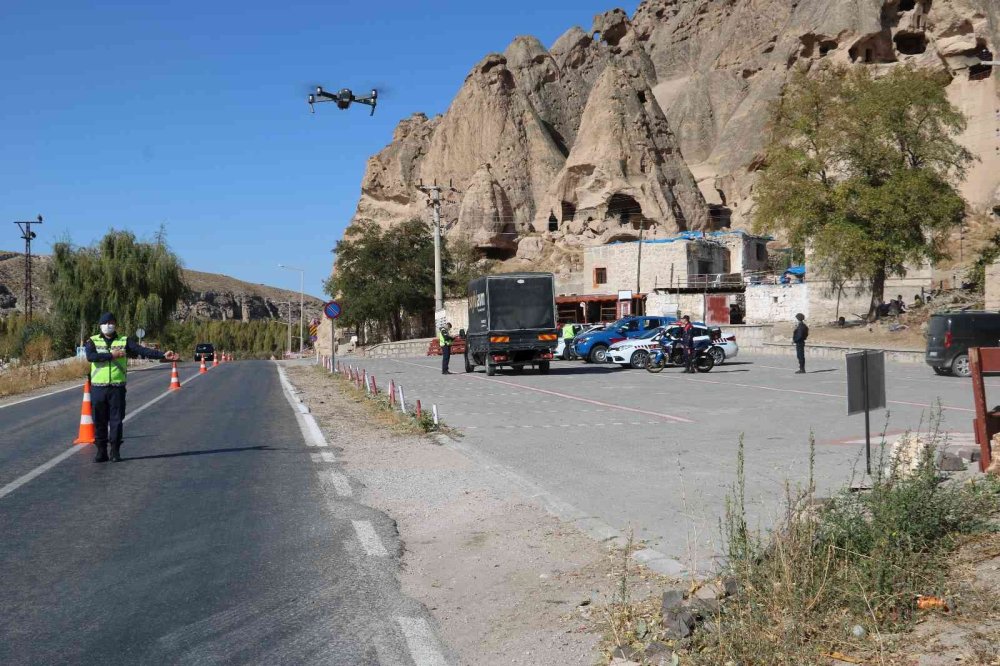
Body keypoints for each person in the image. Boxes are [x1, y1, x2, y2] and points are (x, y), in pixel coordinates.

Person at [84, 313, 179, 462]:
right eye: (106, 322)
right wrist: (111, 355)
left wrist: (163, 355)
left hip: (117, 388)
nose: (109, 325)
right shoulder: (92, 341)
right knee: (99, 420)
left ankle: (115, 451)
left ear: (115, 324)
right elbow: (91, 357)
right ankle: (101, 450)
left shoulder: (124, 340)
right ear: (100, 325)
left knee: (116, 420)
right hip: (98, 388)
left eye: (111, 322)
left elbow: (142, 351)